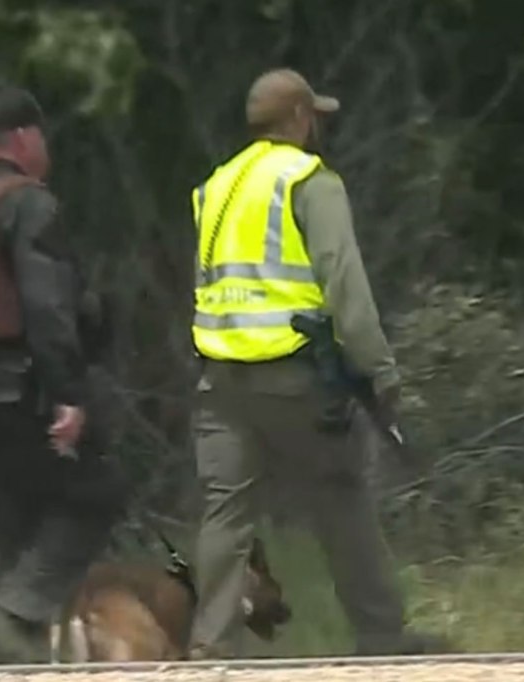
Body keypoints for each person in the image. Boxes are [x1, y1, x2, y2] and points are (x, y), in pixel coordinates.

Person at [187, 68, 450, 658]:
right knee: (341, 495)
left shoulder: (216, 186)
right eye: (315, 118)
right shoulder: (307, 180)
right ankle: (381, 633)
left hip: (221, 380)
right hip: (294, 375)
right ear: (299, 119)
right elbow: (346, 289)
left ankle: (211, 646)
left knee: (226, 516)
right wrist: (380, 373)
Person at [0, 83, 126, 663]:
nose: (46, 147)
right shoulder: (27, 203)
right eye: (41, 135)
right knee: (94, 495)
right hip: (21, 387)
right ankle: (15, 617)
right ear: (20, 137)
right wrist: (68, 395)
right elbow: (47, 306)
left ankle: (1, 651)